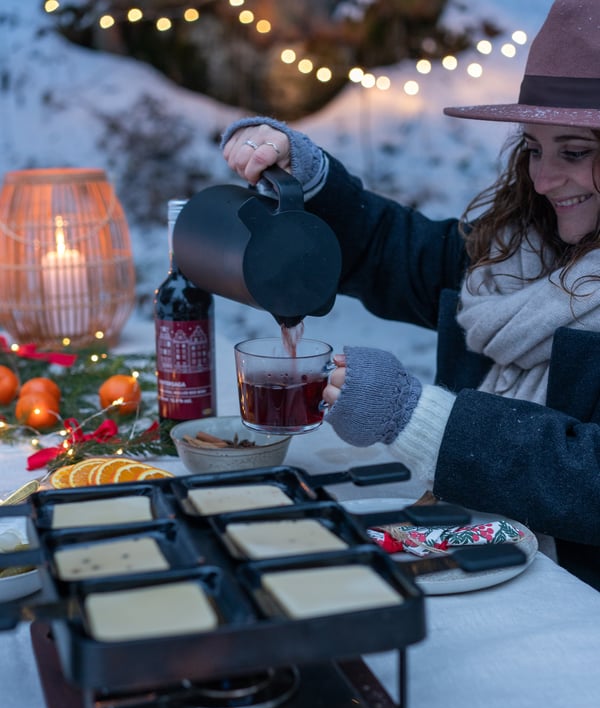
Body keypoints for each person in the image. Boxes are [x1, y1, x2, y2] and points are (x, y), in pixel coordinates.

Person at [221, 0, 600, 590]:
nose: (543, 179)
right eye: (532, 148)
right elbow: (388, 252)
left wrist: (419, 415)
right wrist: (306, 177)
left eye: (573, 151)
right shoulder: (514, 254)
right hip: (475, 561)